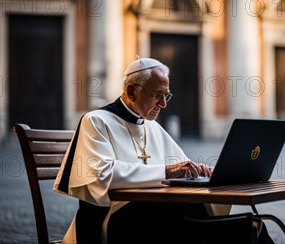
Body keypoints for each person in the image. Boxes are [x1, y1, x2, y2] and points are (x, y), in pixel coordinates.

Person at [53, 58, 263, 243]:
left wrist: (199, 171)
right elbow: (100, 176)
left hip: (155, 215)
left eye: (167, 95)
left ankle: (244, 230)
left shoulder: (151, 126)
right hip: (112, 219)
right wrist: (166, 172)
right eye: (157, 95)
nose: (163, 104)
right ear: (131, 91)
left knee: (193, 212)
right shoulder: (97, 121)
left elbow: (181, 167)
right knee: (176, 212)